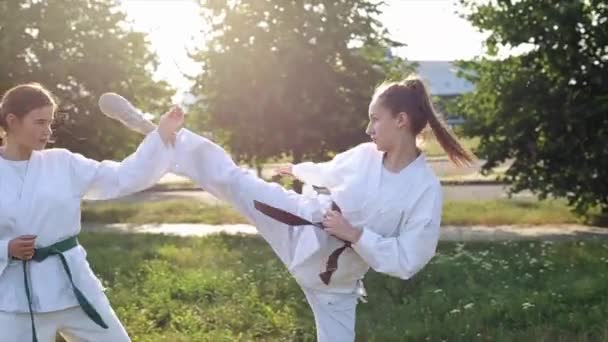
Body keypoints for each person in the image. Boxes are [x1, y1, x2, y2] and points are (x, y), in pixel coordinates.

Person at [102, 76, 474, 341]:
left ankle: (167, 139)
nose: (368, 128)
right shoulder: (364, 156)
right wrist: (297, 170)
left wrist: (357, 235)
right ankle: (161, 134)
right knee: (235, 181)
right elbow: (330, 171)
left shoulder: (424, 189)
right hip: (301, 227)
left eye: (375, 119)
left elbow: (410, 259)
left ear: (401, 120)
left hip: (336, 284)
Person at [0, 83, 181, 342]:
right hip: (16, 297)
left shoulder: (63, 163)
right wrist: (6, 249)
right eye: (39, 122)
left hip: (73, 286)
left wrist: (160, 135)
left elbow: (120, 177)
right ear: (12, 121)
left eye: (50, 123)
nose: (47, 131)